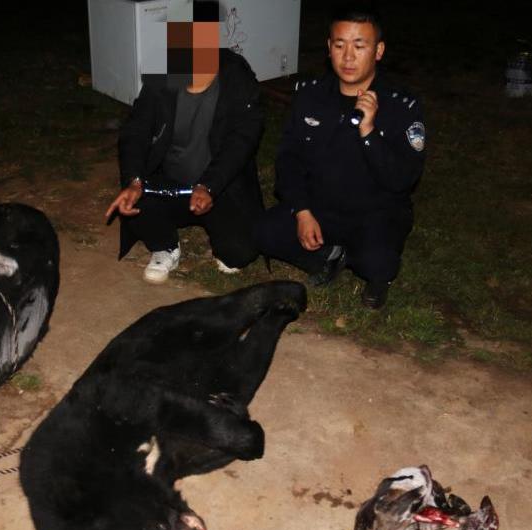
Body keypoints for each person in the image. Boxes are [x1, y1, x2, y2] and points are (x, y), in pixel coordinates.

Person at [252, 3, 425, 308]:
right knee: (262, 232)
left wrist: (369, 131)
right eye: (340, 45)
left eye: (359, 46)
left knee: (379, 264)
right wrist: (302, 211)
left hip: (375, 211)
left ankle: (366, 265)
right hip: (321, 206)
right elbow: (289, 159)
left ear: (378, 51)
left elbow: (402, 179)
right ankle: (328, 256)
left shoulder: (401, 105)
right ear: (329, 47)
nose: (348, 57)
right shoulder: (310, 95)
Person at [105, 0, 264, 284]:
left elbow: (243, 139)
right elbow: (136, 130)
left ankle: (223, 232)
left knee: (239, 252)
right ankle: (166, 246)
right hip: (170, 185)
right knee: (134, 201)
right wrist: (134, 180)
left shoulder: (236, 75)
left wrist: (210, 185)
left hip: (218, 187)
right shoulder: (162, 76)